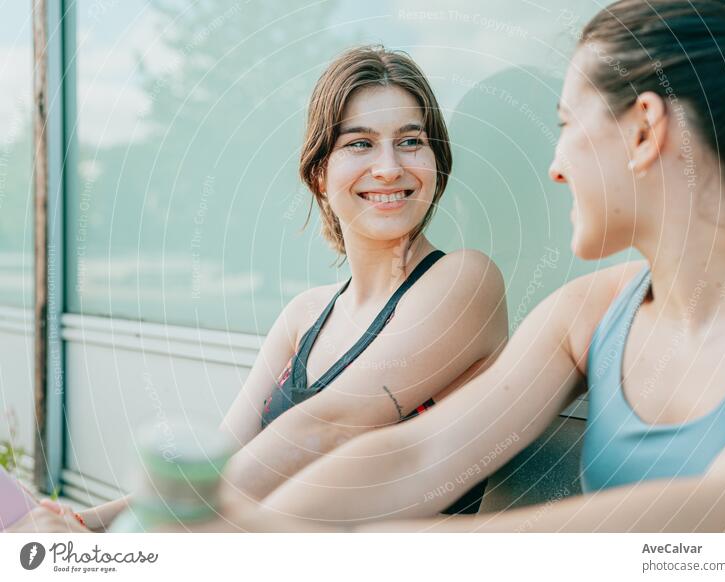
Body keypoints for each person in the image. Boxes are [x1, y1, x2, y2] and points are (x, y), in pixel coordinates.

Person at [244, 0, 725, 532]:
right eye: (359, 145)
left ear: (643, 131)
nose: (555, 168)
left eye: (565, 126)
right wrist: (240, 530)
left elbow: (720, 520)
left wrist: (356, 543)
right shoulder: (588, 313)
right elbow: (417, 450)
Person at [13, 45, 507, 534]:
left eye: (410, 140)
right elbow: (221, 457)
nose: (388, 167)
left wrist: (127, 533)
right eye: (360, 143)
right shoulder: (304, 315)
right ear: (318, 173)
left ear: (435, 162)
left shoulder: (465, 281)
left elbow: (325, 426)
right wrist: (87, 521)